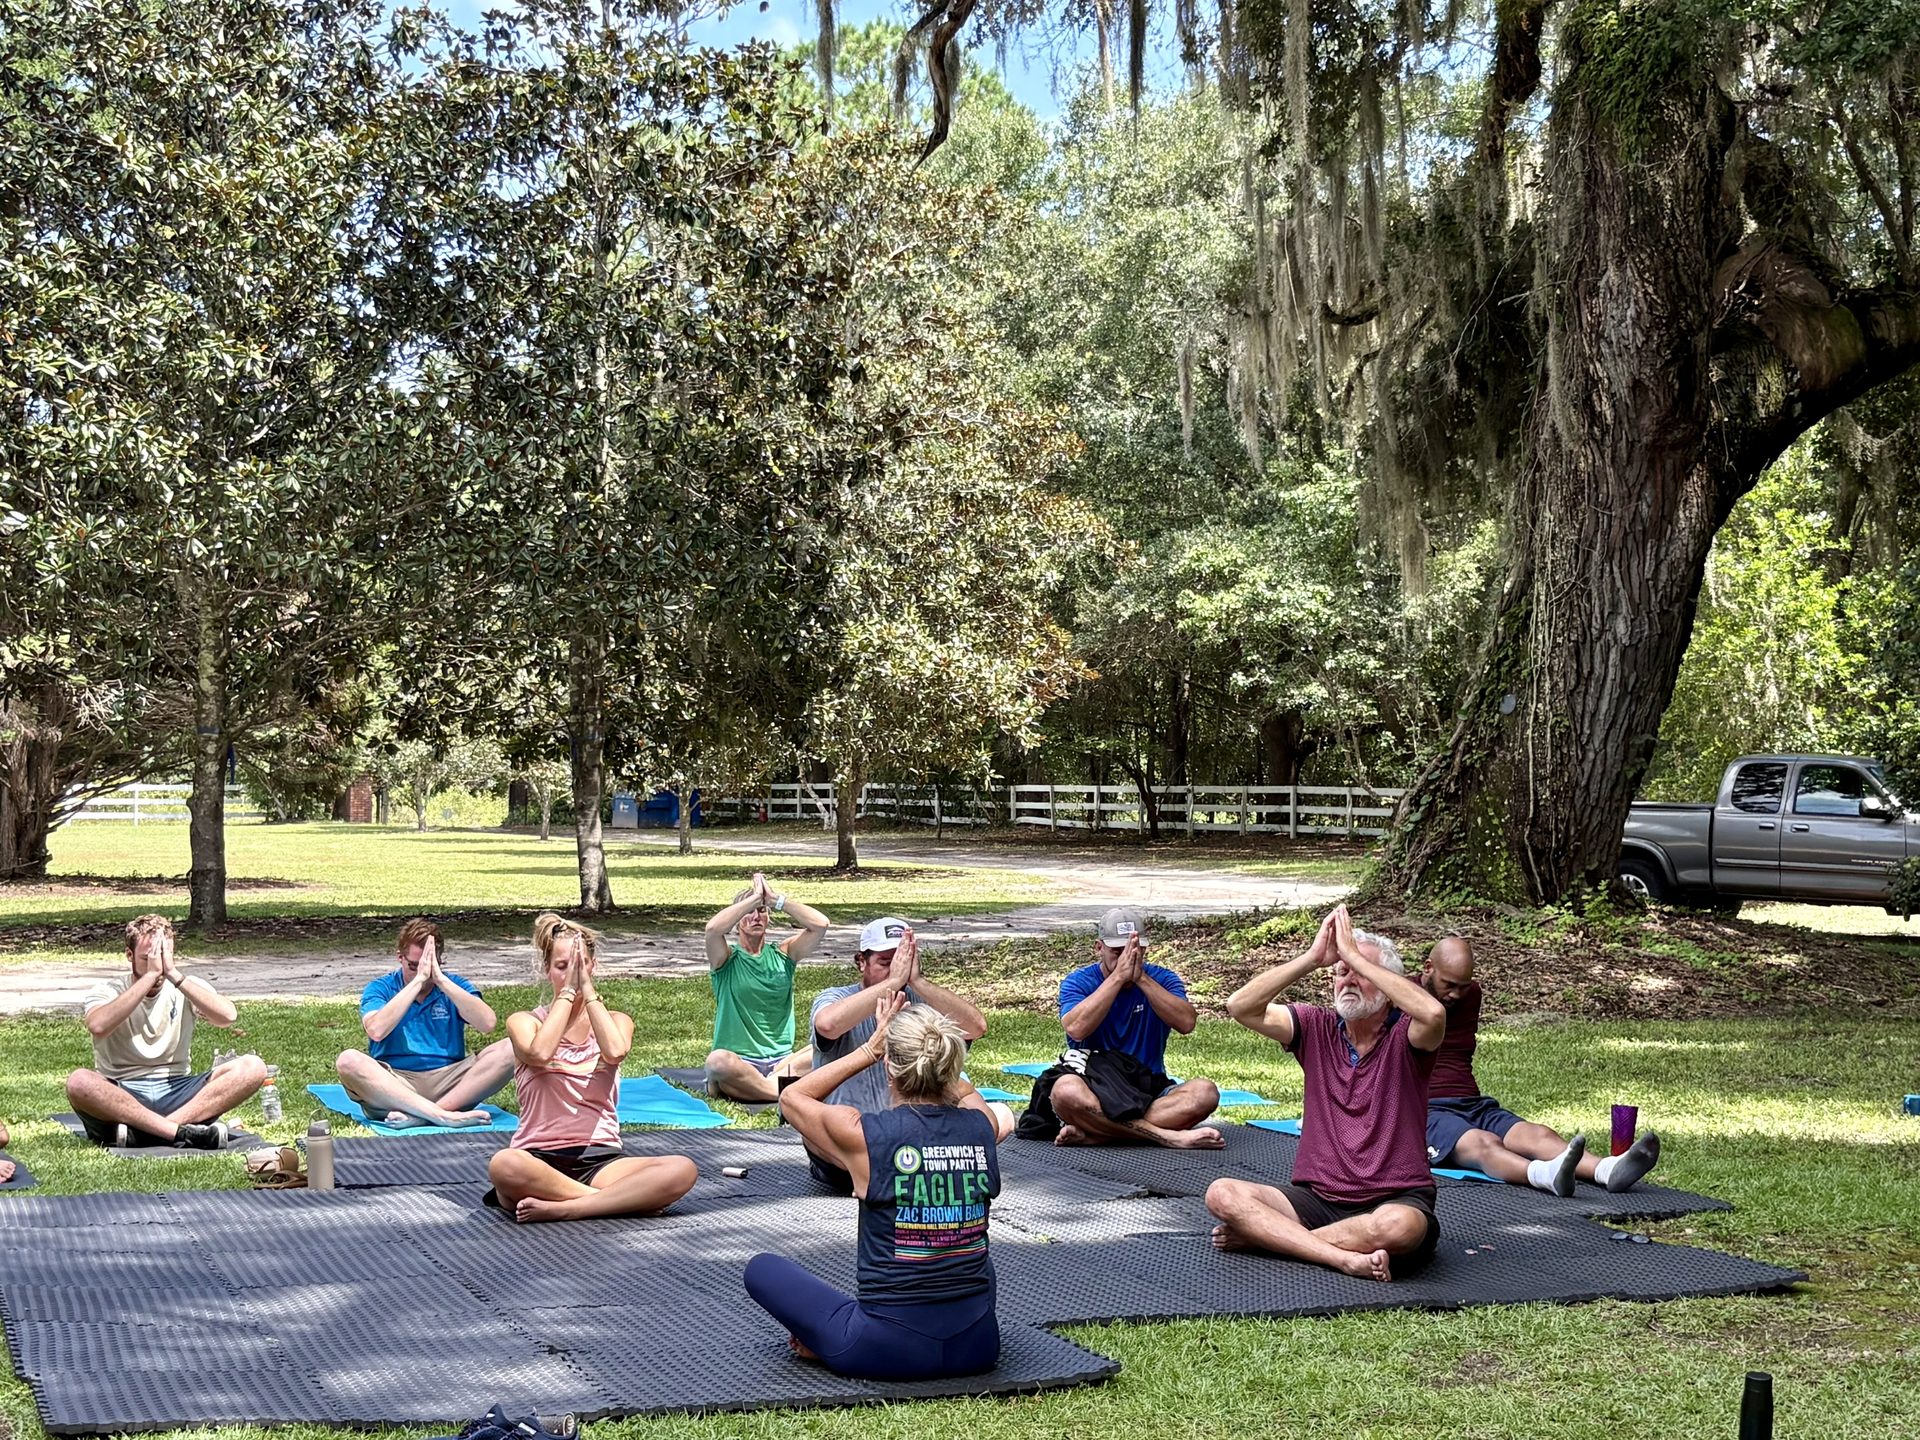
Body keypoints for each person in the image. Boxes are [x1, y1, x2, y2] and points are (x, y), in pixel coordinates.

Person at [747, 992, 1002, 1379]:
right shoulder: (983, 1126)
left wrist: (869, 1047)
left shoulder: (864, 1135)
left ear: (889, 1067)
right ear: (948, 1068)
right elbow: (963, 1093)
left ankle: (832, 1341)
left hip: (883, 1349)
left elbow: (793, 1095)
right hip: (979, 1347)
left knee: (761, 1268)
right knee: (971, 1253)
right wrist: (940, 1071)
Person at [1208, 906, 1445, 1282]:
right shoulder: (1317, 1027)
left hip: (1393, 1200)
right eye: (1341, 972)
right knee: (1222, 1194)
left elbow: (1434, 1015)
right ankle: (1341, 1257)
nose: (1347, 979)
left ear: (1388, 988)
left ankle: (1273, 1241)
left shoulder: (1407, 1036)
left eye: (1361, 972)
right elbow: (1240, 1007)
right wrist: (1313, 958)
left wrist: (1353, 954)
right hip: (1316, 1200)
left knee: (1399, 1228)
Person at [485, 913, 697, 1223]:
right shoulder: (524, 1022)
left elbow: (615, 1051)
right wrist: (569, 993)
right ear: (547, 970)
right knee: (504, 1165)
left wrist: (587, 989)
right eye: (562, 967)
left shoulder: (617, 1020)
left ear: (593, 967)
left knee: (682, 1169)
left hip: (600, 1159)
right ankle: (618, 1202)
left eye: (579, 966)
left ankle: (568, 1207)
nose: (571, 974)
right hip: (536, 1160)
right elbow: (539, 1053)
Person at [1420, 936, 1661, 1194]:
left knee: (1538, 1135)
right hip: (1424, 1111)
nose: (1456, 994)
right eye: (1449, 984)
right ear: (1427, 967)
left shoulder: (1470, 995)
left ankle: (1606, 1169)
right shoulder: (1399, 999)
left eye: (1463, 986)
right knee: (1484, 1142)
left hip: (1472, 1103)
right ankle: (1544, 1174)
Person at [806, 918, 1011, 1192]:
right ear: (861, 962)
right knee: (811, 1130)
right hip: (854, 1140)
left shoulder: (921, 998)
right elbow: (827, 1025)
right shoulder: (835, 997)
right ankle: (864, 1175)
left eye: (904, 960)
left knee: (1002, 1115)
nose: (897, 970)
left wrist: (916, 981)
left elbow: (976, 1027)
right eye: (886, 962)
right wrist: (893, 983)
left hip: (915, 1136)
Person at [1021, 907, 1221, 1149]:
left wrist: (1141, 979)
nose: (1126, 959)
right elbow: (1076, 1028)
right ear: (1099, 948)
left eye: (1134, 952)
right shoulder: (1078, 982)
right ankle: (1167, 1136)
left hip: (1147, 1084)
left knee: (1205, 1093)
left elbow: (1186, 1023)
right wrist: (1117, 979)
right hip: (1093, 1083)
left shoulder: (1162, 979)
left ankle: (1098, 1134)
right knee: (1064, 1092)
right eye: (1117, 952)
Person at [65, 915, 266, 1149]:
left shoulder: (183, 984)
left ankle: (155, 1132)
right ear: (129, 956)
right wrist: (149, 977)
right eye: (148, 959)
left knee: (253, 1067)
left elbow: (227, 1017)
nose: (157, 967)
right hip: (123, 1092)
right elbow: (98, 1026)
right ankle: (178, 1132)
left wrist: (175, 975)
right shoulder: (109, 990)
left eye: (163, 957)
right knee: (79, 1082)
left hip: (178, 1089)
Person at [334, 919, 516, 1128]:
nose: (423, 972)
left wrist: (441, 980)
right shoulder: (381, 987)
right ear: (400, 958)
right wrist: (418, 981)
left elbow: (488, 1024)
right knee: (348, 1060)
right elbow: (376, 1030)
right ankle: (442, 1116)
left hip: (450, 1082)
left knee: (513, 1048)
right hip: (395, 1084)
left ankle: (424, 1116)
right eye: (414, 966)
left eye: (429, 966)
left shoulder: (453, 985)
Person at [702, 871, 829, 1102]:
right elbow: (712, 930)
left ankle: (765, 1088)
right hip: (740, 1062)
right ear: (738, 919)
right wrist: (753, 899)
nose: (756, 916)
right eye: (749, 912)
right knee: (717, 1062)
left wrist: (774, 900)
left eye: (761, 911)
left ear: (769, 917)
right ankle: (783, 1091)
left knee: (835, 1048)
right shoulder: (726, 959)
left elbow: (820, 925)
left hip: (783, 1062)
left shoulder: (785, 954)